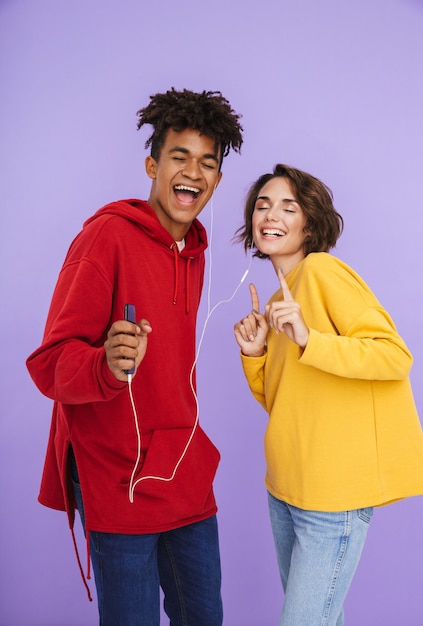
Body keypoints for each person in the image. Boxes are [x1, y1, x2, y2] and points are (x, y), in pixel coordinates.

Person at [26, 88, 243, 626]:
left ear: (216, 180)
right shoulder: (105, 239)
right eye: (179, 155)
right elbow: (50, 363)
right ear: (152, 163)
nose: (193, 171)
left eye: (207, 163)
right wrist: (106, 362)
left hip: (183, 469)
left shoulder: (196, 251)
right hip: (115, 477)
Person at [233, 164, 423, 626]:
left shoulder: (321, 271)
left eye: (287, 206)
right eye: (262, 204)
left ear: (309, 225)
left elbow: (394, 356)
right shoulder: (282, 302)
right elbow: (285, 404)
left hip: (331, 497)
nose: (269, 214)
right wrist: (255, 354)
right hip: (284, 488)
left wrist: (309, 339)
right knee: (322, 618)